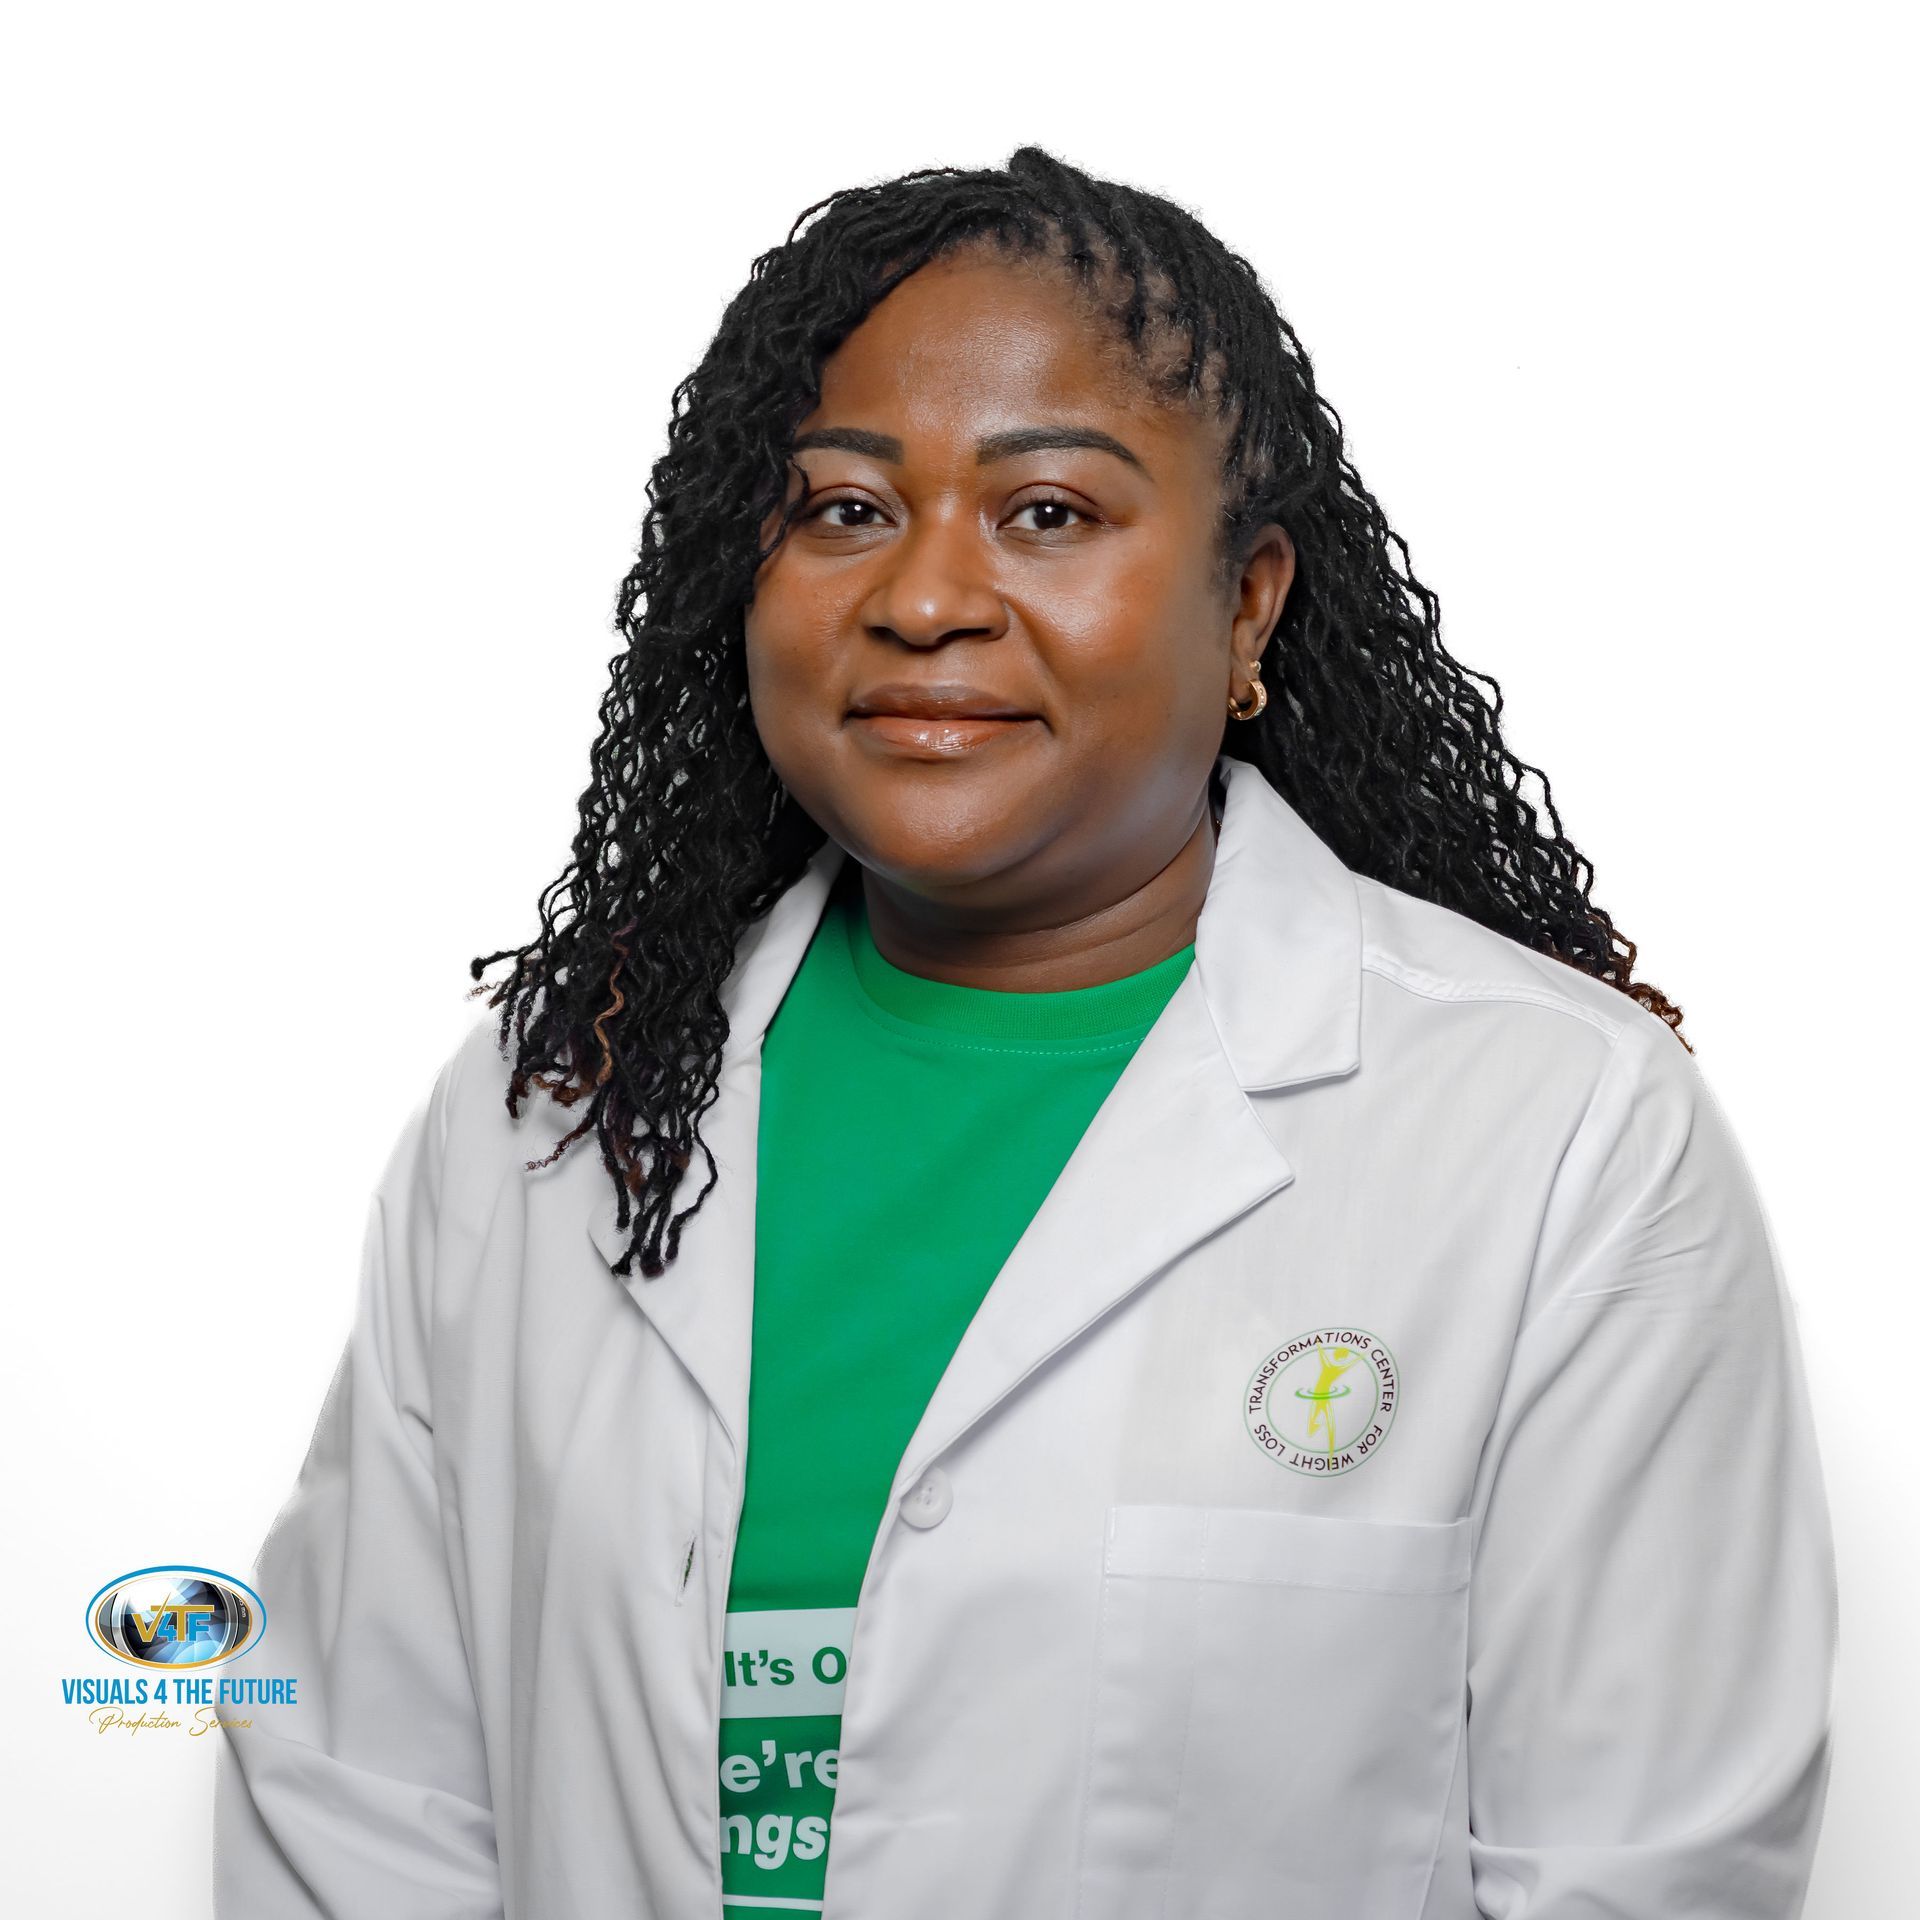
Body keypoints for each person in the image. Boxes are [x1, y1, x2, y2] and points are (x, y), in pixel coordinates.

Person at [213, 146, 1838, 1919]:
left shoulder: (1556, 1131)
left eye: (1048, 513)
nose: (924, 599)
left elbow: (1644, 1873)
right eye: (844, 509)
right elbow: (355, 1808)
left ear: (1247, 603)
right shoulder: (552, 1105)